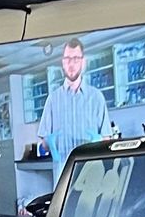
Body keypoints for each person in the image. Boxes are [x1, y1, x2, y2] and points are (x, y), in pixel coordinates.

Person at [21, 38, 112, 184]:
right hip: (63, 177)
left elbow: (108, 139)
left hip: (92, 177)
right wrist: (49, 144)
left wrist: (99, 141)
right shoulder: (53, 100)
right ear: (62, 62)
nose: (71, 64)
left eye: (76, 58)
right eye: (68, 58)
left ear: (83, 62)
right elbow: (44, 143)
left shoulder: (96, 98)